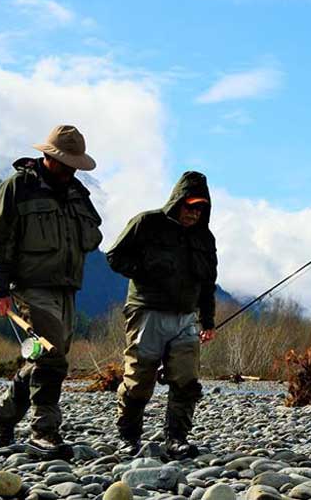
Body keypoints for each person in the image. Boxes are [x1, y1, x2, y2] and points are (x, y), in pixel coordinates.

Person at [0, 125, 103, 460]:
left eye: (74, 165)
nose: (70, 170)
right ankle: (43, 432)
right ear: (48, 156)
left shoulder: (78, 193)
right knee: (51, 359)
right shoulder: (17, 187)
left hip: (67, 287)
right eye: (65, 163)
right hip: (30, 287)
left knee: (42, 357)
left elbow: (94, 237)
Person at [106, 171, 218, 459]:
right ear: (177, 200)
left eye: (199, 208)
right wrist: (146, 270)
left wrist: (208, 321)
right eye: (189, 205)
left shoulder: (205, 238)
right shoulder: (147, 222)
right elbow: (114, 256)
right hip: (146, 312)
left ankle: (176, 439)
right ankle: (128, 437)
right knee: (138, 379)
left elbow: (208, 283)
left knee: (186, 380)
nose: (193, 213)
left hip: (186, 318)